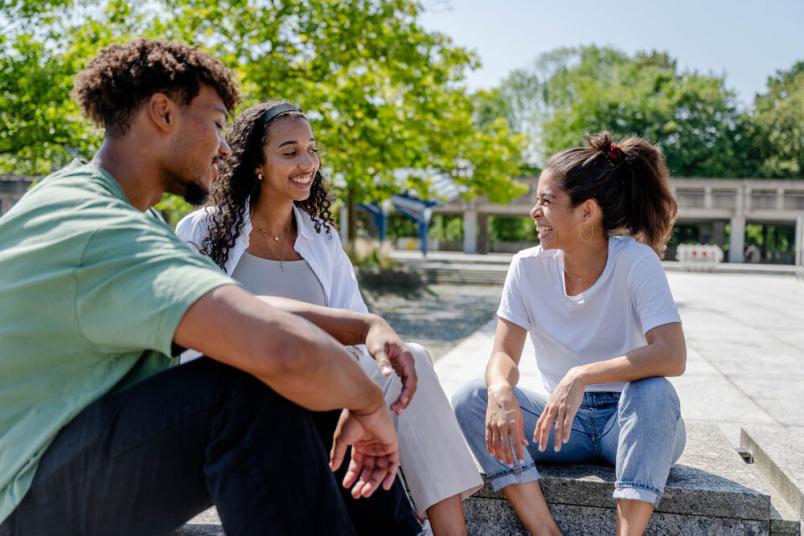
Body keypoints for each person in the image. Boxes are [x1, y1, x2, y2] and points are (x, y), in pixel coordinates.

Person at [0, 39, 414, 536]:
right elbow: (279, 347)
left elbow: (242, 306)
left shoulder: (106, 207)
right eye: (217, 123)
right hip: (26, 501)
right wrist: (368, 402)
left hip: (66, 466)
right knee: (251, 389)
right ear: (162, 112)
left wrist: (363, 324)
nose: (224, 147)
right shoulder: (103, 229)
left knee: (300, 383)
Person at [175, 100, 483, 536]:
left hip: (324, 382)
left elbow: (356, 325)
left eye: (311, 150)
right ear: (257, 164)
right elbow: (192, 336)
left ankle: (451, 531)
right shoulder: (202, 231)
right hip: (245, 394)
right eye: (289, 152)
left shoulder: (321, 237)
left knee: (408, 357)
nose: (307, 163)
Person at [452, 133, 687, 536]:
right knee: (471, 395)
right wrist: (500, 389)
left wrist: (580, 375)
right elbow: (503, 354)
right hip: (561, 427)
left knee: (655, 392)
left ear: (587, 212)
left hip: (628, 423)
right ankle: (546, 532)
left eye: (546, 201)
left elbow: (671, 354)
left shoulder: (636, 262)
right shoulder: (526, 267)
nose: (534, 212)